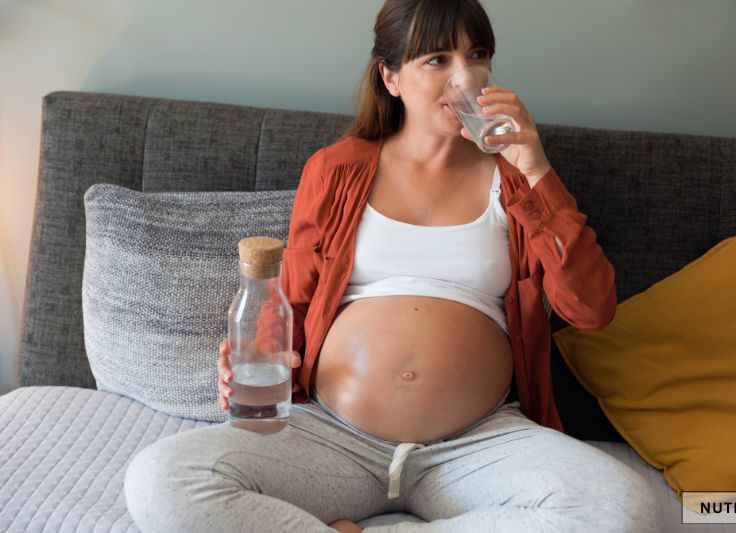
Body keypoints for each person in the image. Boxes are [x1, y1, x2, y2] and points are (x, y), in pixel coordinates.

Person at [124, 1, 661, 532]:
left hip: (476, 444)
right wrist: (261, 360)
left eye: (477, 55)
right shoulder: (337, 169)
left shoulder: (518, 178)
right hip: (331, 436)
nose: (465, 76)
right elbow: (289, 301)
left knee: (623, 508)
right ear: (391, 77)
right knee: (160, 478)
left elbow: (591, 309)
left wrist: (538, 169)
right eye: (437, 60)